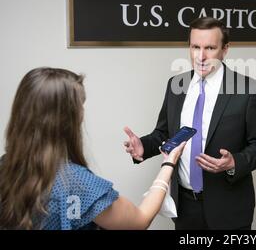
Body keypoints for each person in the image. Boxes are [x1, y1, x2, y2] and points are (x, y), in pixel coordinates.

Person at [124, 17, 256, 230]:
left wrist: (234, 163)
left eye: (210, 48)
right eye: (195, 47)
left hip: (229, 208)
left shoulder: (246, 89)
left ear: (225, 49)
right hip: (184, 207)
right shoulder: (176, 85)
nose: (201, 56)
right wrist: (143, 146)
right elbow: (164, 132)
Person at [0, 67, 185, 230]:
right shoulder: (76, 182)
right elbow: (140, 220)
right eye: (80, 105)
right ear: (66, 118)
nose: (82, 112)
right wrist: (168, 164)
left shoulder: (5, 165)